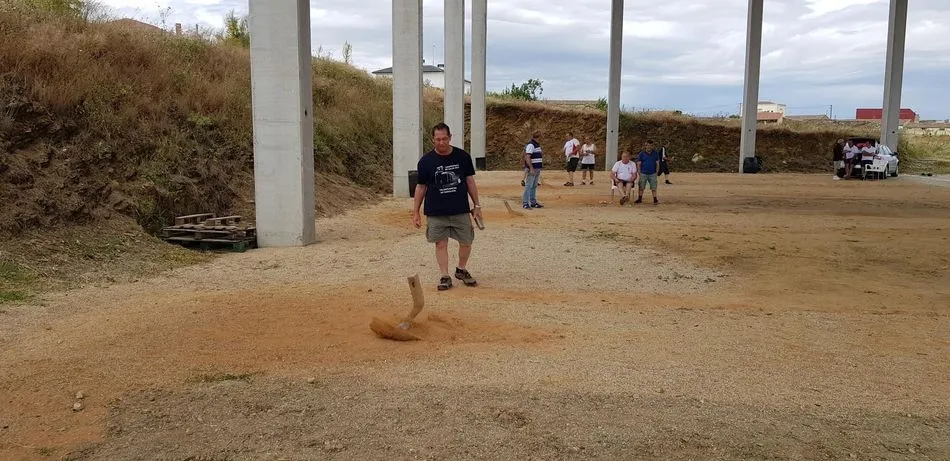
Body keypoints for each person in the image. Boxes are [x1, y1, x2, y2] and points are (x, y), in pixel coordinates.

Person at [412, 122, 481, 291]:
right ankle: (444, 275)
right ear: (432, 139)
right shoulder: (425, 161)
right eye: (438, 139)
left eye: (444, 139)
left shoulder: (462, 157)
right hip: (436, 211)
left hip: (460, 209)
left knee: (466, 242)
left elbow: (469, 181)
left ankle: (461, 269)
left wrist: (477, 205)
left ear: (450, 137)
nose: (441, 142)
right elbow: (421, 187)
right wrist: (416, 212)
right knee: (440, 244)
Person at [522, 131, 544, 209]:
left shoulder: (536, 145)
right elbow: (527, 157)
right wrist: (531, 168)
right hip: (533, 168)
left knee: (534, 185)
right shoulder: (531, 145)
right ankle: (525, 203)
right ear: (538, 137)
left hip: (537, 168)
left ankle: (533, 202)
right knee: (529, 186)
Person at [635, 140, 661, 204]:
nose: (649, 147)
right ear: (645, 146)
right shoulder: (641, 154)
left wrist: (657, 172)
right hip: (643, 173)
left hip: (653, 173)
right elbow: (638, 164)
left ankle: (655, 199)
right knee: (641, 186)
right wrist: (639, 172)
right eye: (648, 145)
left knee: (654, 187)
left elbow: (657, 163)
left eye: (651, 145)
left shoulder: (655, 153)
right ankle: (640, 198)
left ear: (652, 146)